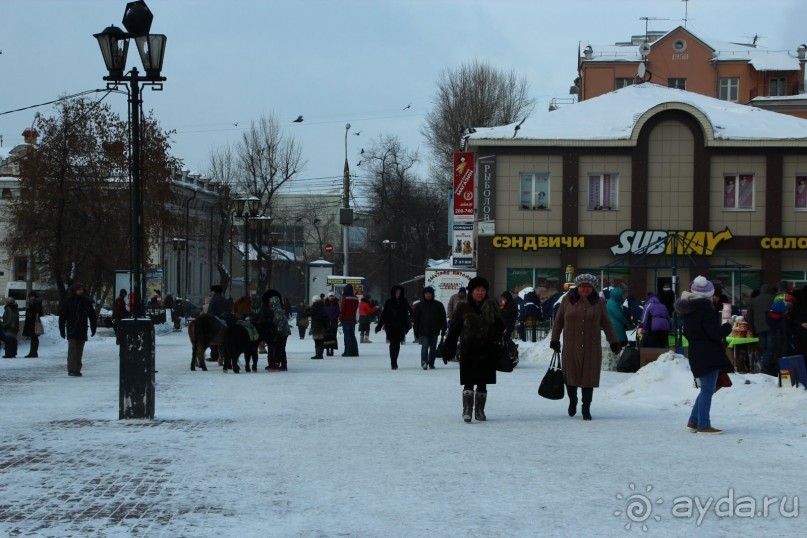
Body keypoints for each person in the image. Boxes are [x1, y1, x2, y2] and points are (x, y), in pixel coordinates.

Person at [550, 274, 619, 421]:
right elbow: (558, 322)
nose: (585, 289)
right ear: (577, 287)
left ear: (592, 288)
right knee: (570, 377)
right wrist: (554, 340)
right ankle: (573, 400)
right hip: (571, 346)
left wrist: (614, 342)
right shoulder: (567, 300)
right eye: (582, 286)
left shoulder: (599, 302)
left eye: (588, 287)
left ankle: (586, 407)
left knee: (589, 379)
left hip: (591, 347)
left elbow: (606, 323)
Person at [439, 276, 504, 423]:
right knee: (469, 381)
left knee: (483, 381)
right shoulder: (462, 306)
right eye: (477, 290)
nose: (480, 293)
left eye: (482, 290)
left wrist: (494, 333)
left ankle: (480, 410)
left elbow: (501, 325)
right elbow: (454, 329)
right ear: (471, 291)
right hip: (469, 349)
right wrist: (448, 348)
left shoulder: (492, 305)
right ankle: (467, 409)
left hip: (487, 349)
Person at [674, 276, 734, 434]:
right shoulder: (705, 309)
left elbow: (688, 331)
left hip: (695, 350)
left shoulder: (689, 308)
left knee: (707, 388)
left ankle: (694, 421)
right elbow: (714, 334)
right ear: (708, 294)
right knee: (708, 389)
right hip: (708, 352)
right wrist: (728, 326)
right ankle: (703, 425)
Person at [58, 283, 97, 377]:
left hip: (82, 329)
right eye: (79, 289)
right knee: (72, 350)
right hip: (72, 329)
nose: (81, 291)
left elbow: (92, 316)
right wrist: (62, 330)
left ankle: (77, 369)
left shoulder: (86, 302)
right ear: (74, 290)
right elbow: (62, 317)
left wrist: (93, 328)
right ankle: (71, 369)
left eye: (82, 289)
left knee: (79, 351)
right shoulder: (68, 302)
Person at [375, 285, 411, 370]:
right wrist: (379, 326)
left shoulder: (404, 302)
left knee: (397, 344)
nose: (398, 294)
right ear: (393, 293)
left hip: (401, 326)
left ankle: (395, 360)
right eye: (396, 292)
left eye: (399, 292)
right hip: (390, 326)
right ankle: (393, 362)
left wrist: (409, 324)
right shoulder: (389, 302)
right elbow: (384, 315)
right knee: (392, 344)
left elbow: (408, 313)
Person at [413, 286, 447, 370]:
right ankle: (424, 362)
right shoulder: (420, 305)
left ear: (432, 294)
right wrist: (416, 331)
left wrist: (443, 328)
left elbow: (443, 318)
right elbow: (416, 319)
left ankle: (431, 363)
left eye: (429, 293)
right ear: (423, 295)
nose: (428, 295)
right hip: (423, 330)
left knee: (433, 347)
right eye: (426, 293)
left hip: (435, 330)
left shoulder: (438, 305)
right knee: (425, 346)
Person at [745, 283, 776, 373]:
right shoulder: (774, 299)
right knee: (770, 349)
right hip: (772, 327)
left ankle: (764, 368)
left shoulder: (754, 300)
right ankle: (766, 369)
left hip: (759, 328)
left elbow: (749, 317)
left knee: (763, 348)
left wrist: (752, 330)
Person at [268, 295, 291, 371]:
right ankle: (282, 364)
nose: (269, 304)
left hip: (282, 333)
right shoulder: (276, 310)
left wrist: (278, 332)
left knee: (279, 348)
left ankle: (279, 364)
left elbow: (281, 322)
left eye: (270, 302)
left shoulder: (278, 311)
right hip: (283, 332)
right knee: (280, 348)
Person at [339, 284, 360, 357]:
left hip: (345, 319)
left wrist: (340, 318)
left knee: (347, 336)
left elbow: (343, 309)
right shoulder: (356, 298)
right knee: (352, 335)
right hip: (352, 319)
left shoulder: (345, 298)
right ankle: (355, 351)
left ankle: (348, 351)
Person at [22, 291, 45, 358]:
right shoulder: (36, 303)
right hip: (33, 322)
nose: (30, 298)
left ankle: (33, 353)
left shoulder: (34, 303)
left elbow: (37, 312)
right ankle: (33, 352)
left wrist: (30, 313)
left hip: (33, 323)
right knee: (34, 338)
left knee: (34, 338)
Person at [306, 295, 328, 359]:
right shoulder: (323, 307)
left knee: (317, 341)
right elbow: (326, 317)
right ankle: (320, 354)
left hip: (315, 327)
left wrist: (307, 309)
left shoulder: (314, 307)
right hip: (322, 327)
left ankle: (318, 354)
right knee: (320, 341)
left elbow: (307, 314)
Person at [323, 291, 340, 356]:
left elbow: (338, 312)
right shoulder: (325, 303)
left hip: (334, 322)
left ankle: (332, 349)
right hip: (327, 322)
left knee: (333, 336)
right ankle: (327, 349)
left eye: (332, 296)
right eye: (330, 296)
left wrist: (334, 317)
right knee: (327, 336)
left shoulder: (336, 304)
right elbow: (324, 312)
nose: (331, 297)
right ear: (328, 297)